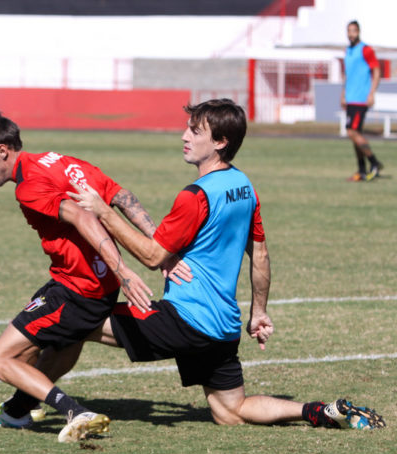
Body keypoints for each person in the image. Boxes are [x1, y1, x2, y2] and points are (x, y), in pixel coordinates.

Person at [67, 98, 385, 430]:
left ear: (220, 142)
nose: (184, 137)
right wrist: (258, 311)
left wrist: (102, 211)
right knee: (231, 412)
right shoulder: (244, 186)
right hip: (221, 327)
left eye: (195, 130)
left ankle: (27, 404)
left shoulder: (195, 196)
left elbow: (151, 256)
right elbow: (259, 255)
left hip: (183, 320)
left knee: (72, 317)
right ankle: (318, 411)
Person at [0, 109, 176, 443]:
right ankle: (16, 411)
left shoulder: (29, 186)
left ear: (2, 150)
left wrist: (126, 271)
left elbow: (83, 218)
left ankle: (74, 411)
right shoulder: (58, 160)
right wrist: (161, 249)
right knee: (56, 346)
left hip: (77, 288)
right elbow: (121, 196)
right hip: (96, 286)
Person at [341, 20, 383, 182]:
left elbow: (376, 71)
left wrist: (371, 93)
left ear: (359, 32)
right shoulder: (348, 51)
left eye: (354, 31)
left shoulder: (365, 50)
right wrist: (343, 93)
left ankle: (374, 163)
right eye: (349, 31)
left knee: (352, 132)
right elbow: (348, 74)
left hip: (361, 99)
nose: (351, 34)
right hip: (351, 98)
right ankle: (361, 170)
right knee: (353, 134)